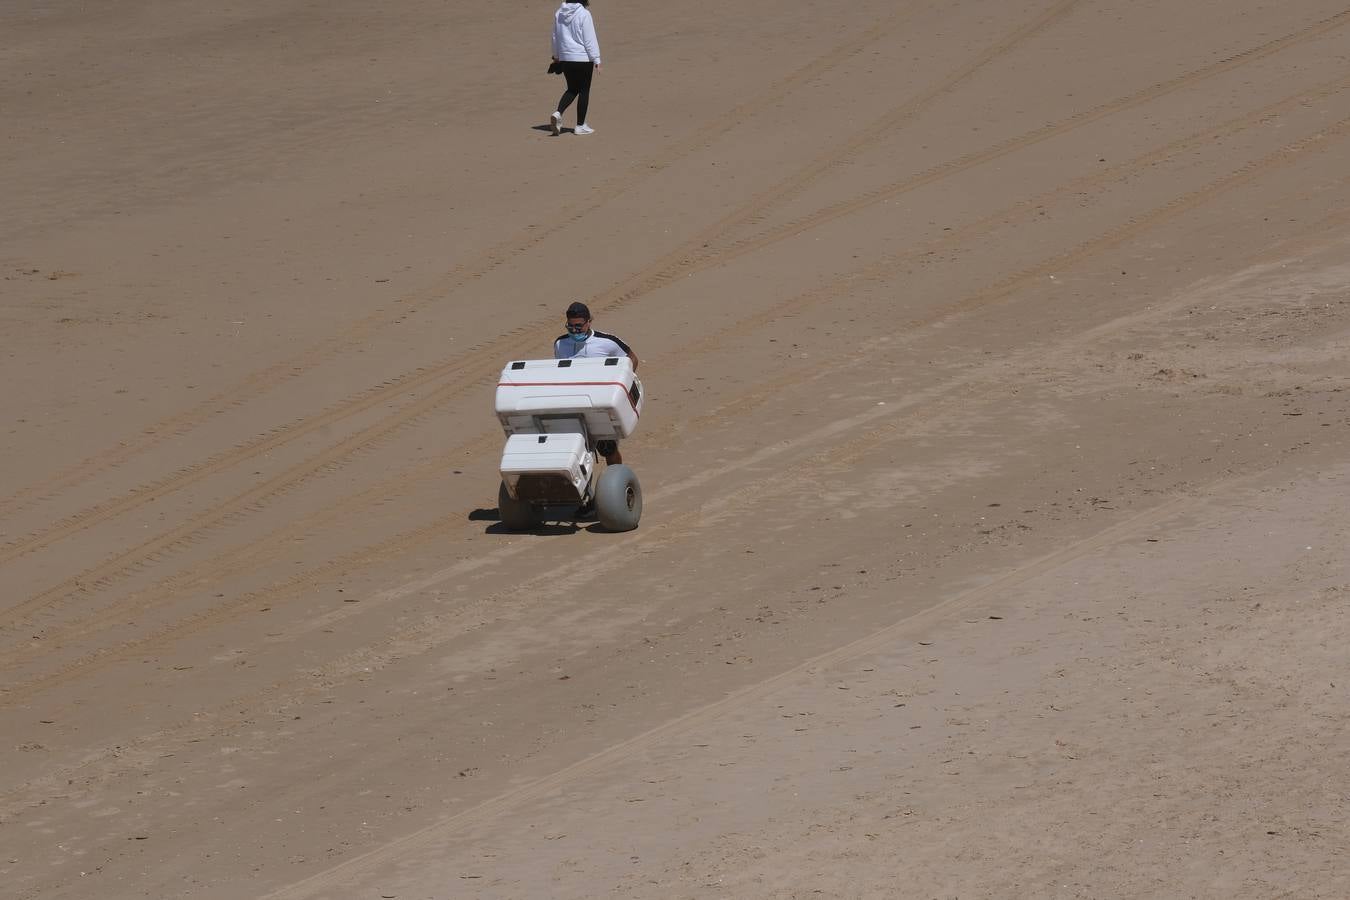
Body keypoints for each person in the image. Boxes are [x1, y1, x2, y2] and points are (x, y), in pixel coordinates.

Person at [554, 301, 637, 465]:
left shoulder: (607, 341)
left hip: (599, 400)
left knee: (607, 448)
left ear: (589, 321)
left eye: (578, 326)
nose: (574, 330)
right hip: (572, 400)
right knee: (572, 447)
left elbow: (631, 358)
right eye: (570, 327)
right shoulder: (560, 343)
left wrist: (622, 386)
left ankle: (616, 476)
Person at [549, 1, 601, 136]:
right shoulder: (584, 14)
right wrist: (596, 58)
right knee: (584, 90)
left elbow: (555, 36)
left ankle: (558, 112)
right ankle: (580, 125)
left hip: (566, 58)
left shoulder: (558, 13)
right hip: (583, 58)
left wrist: (556, 56)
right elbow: (589, 39)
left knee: (572, 89)